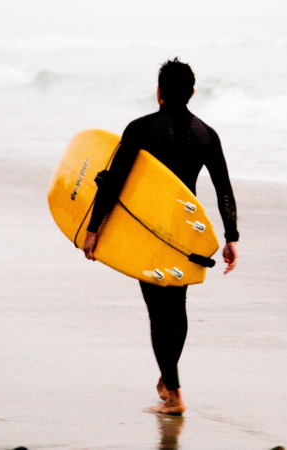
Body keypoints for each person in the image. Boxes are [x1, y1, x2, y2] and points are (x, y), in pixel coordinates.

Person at [81, 58, 239, 415]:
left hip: (148, 230)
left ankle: (174, 394)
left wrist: (93, 229)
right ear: (192, 93)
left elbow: (112, 181)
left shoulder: (140, 129)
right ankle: (168, 382)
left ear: (158, 92)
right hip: (184, 232)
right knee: (177, 308)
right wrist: (231, 236)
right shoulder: (207, 135)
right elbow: (224, 190)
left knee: (157, 313)